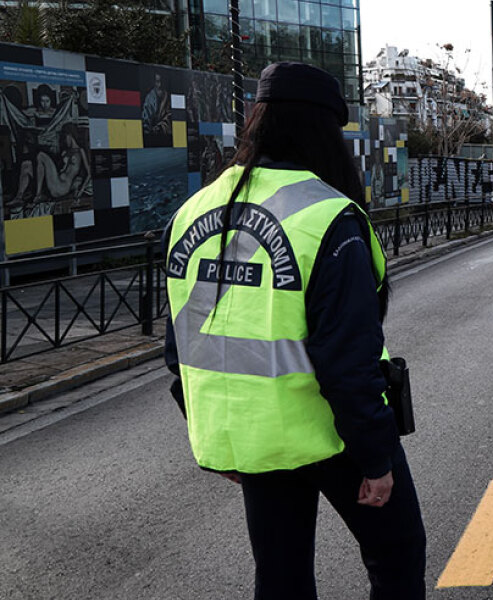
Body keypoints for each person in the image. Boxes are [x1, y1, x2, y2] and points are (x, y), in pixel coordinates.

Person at [163, 62, 425, 599]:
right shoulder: (327, 216)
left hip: (253, 437)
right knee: (396, 557)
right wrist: (375, 459)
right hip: (331, 435)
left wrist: (226, 439)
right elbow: (348, 362)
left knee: (280, 578)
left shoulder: (193, 211)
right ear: (324, 132)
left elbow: (179, 349)